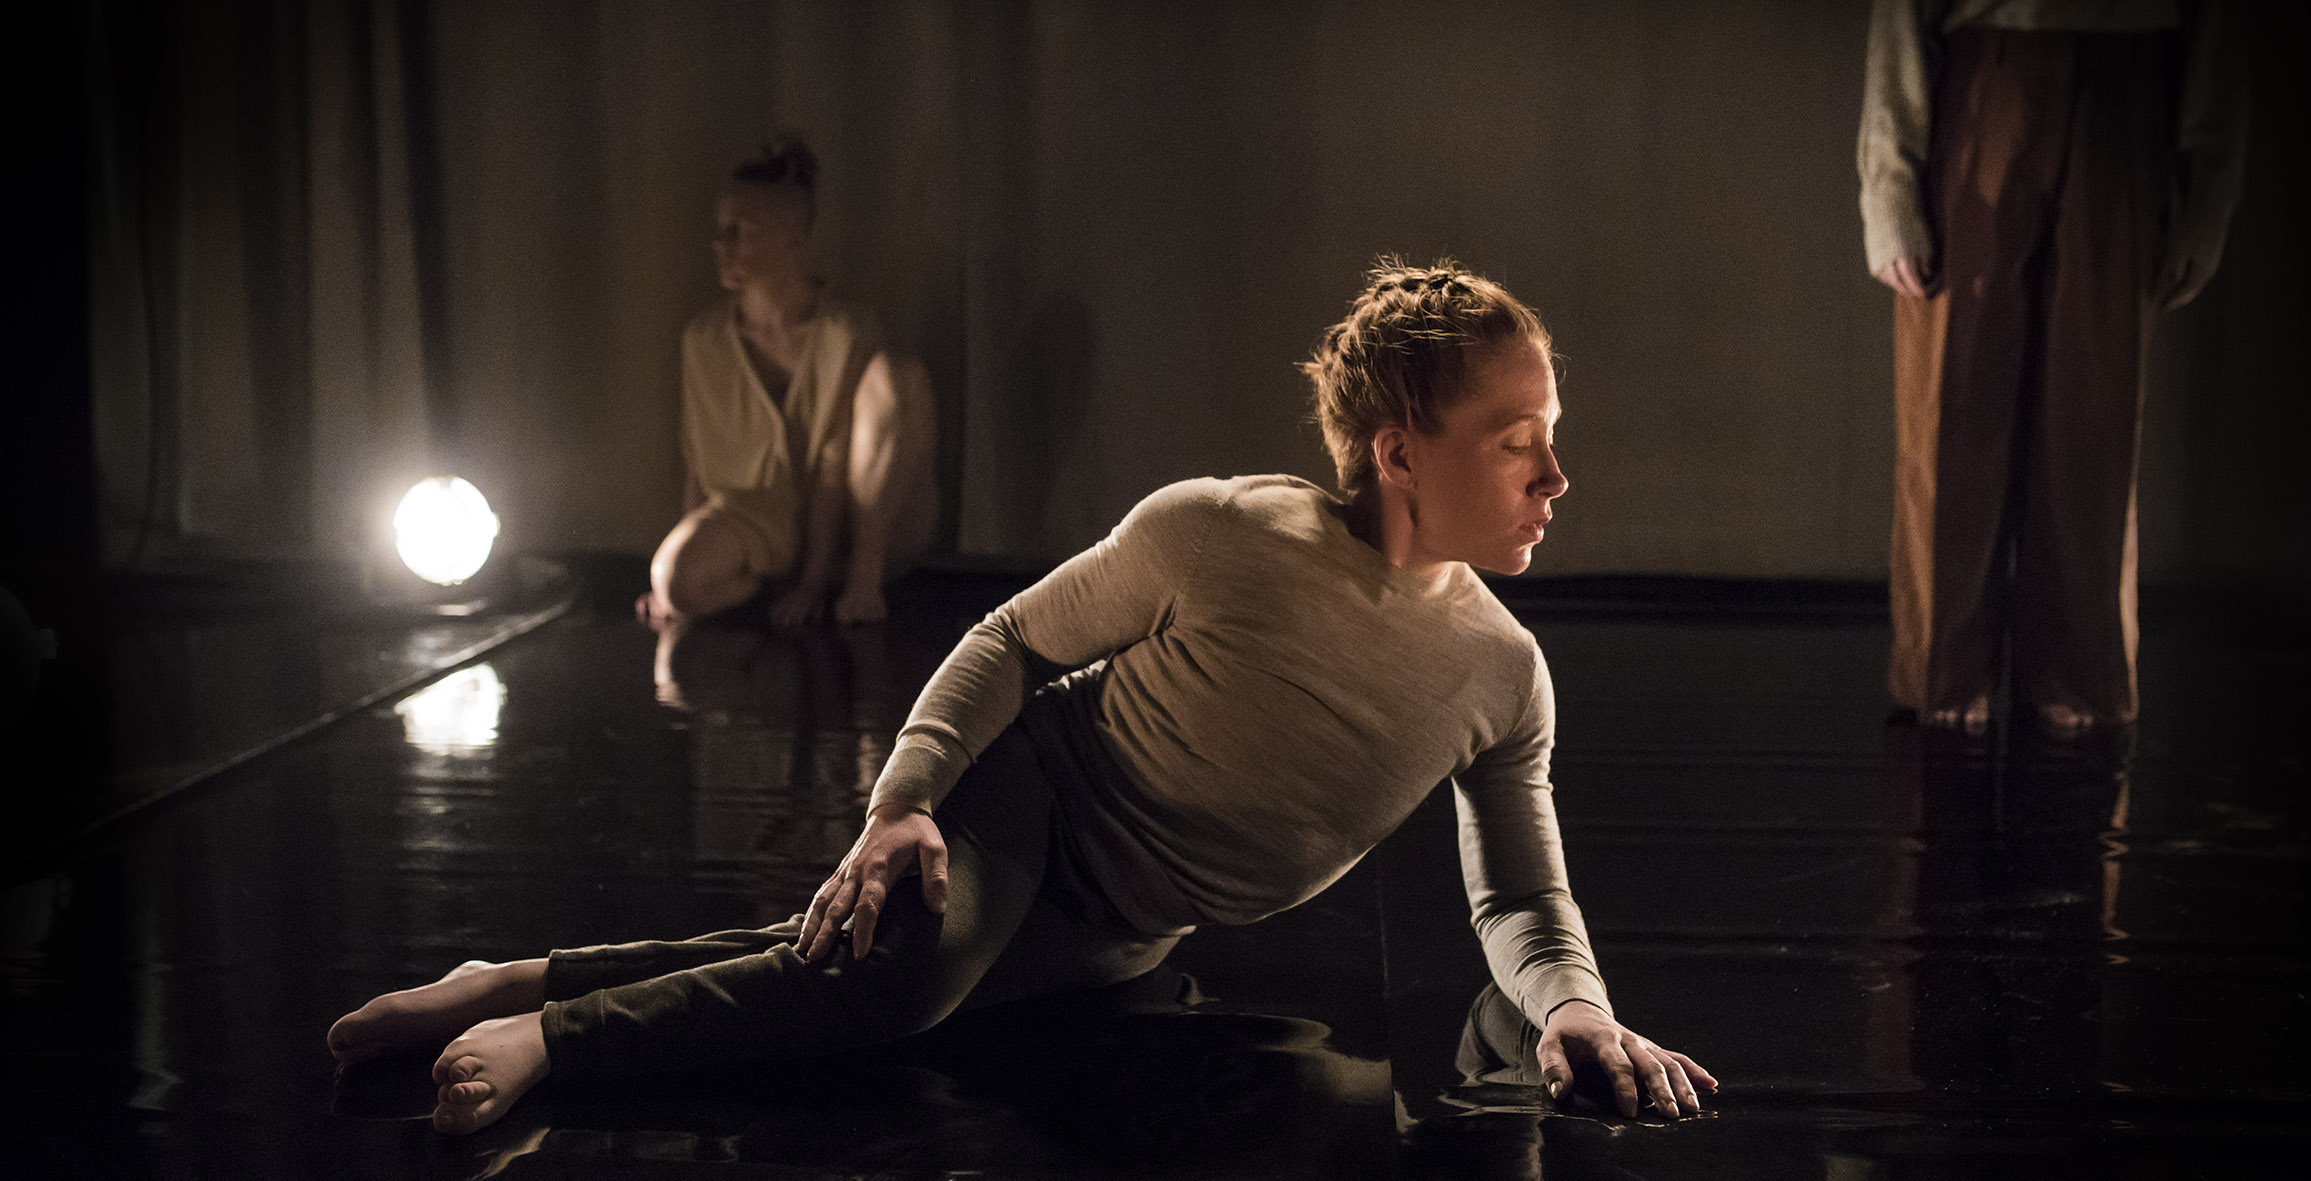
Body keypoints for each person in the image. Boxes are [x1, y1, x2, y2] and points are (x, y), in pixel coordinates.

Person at [329, 260, 1718, 1135]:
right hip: (1031, 795)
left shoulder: (1498, 670)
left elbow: (1521, 901)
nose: (1553, 478)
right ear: (1399, 450)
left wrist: (1574, 1009)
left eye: (1553, 444)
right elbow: (1008, 640)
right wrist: (902, 806)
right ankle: (543, 1043)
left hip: (1127, 917)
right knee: (906, 990)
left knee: (843, 969)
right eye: (1518, 443)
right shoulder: (1224, 529)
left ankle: (505, 978)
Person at [1857, 0, 2245, 736]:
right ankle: (1946, 670)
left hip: (2129, 90)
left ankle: (2079, 671)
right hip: (1982, 78)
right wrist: (1889, 193)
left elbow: (2220, 34)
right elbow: (1899, 17)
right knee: (1954, 400)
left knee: (2093, 411)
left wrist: (2207, 202)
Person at [637, 134, 938, 630]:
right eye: (720, 230)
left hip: (849, 525)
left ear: (793, 236)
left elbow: (833, 468)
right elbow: (697, 459)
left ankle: (859, 582)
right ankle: (759, 579)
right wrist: (677, 561)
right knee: (678, 578)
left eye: (742, 231)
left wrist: (815, 581)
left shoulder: (842, 331)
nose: (722, 245)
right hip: (755, 522)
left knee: (899, 377)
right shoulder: (704, 339)